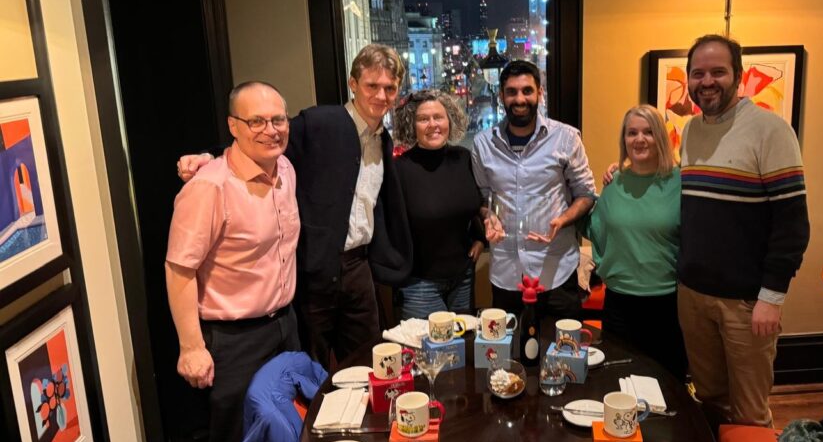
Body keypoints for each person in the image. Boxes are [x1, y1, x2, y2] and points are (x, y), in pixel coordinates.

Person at [177, 44, 412, 369]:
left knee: (368, 362)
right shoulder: (322, 122)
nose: (381, 95)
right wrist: (211, 156)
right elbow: (264, 142)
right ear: (353, 84)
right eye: (372, 85)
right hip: (315, 268)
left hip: (358, 269)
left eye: (390, 88)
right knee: (311, 366)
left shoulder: (382, 139)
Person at [165, 81, 301, 442]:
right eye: (257, 122)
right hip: (233, 341)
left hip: (284, 327)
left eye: (278, 119)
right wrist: (191, 347)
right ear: (233, 127)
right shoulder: (208, 187)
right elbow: (179, 269)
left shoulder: (284, 168)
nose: (270, 130)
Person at [677, 34, 809, 427]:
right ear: (688, 79)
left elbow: (793, 225)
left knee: (750, 412)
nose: (708, 81)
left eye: (718, 72)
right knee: (710, 400)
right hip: (693, 296)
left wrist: (772, 297)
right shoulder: (690, 131)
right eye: (698, 73)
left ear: (738, 75)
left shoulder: (770, 130)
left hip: (746, 304)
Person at [472, 59, 596, 323]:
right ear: (501, 96)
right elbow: (483, 196)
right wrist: (487, 215)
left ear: (540, 93)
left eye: (527, 90)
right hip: (507, 276)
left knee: (563, 355)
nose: (520, 98)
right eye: (512, 91)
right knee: (508, 358)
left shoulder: (566, 138)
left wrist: (563, 219)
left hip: (556, 271)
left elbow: (586, 194)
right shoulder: (483, 143)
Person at [583, 104, 686, 379]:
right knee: (621, 382)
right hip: (619, 304)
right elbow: (596, 230)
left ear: (661, 138)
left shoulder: (681, 182)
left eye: (648, 132)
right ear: (624, 140)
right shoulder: (614, 183)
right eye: (632, 133)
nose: (639, 139)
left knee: (667, 385)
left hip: (666, 304)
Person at [391, 89, 485, 318]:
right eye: (423, 119)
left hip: (462, 276)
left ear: (450, 120)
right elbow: (391, 226)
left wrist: (481, 238)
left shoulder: (464, 158)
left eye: (438, 117)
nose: (433, 124)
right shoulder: (399, 169)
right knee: (428, 353)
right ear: (411, 125)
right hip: (418, 285)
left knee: (463, 348)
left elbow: (476, 204)